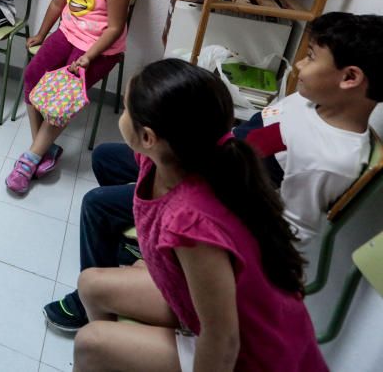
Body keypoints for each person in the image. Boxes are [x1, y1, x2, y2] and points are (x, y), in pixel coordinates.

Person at [44, 11, 381, 332]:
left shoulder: (330, 157)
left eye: (310, 57)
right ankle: (147, 244)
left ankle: (90, 300)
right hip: (210, 160)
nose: (298, 64)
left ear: (349, 77)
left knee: (97, 205)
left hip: (215, 194)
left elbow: (290, 232)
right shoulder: (312, 101)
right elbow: (257, 136)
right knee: (105, 157)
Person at [73, 59, 327, 372]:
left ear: (149, 137)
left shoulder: (191, 223)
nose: (123, 115)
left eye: (126, 109)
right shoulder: (169, 158)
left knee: (91, 342)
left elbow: (223, 340)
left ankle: (104, 356)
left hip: (251, 353)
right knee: (90, 284)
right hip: (210, 308)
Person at [7, 0, 133, 194]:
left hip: (101, 48)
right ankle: (45, 148)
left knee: (62, 97)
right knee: (32, 76)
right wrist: (40, 33)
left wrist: (89, 57)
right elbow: (56, 4)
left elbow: (114, 28)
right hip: (68, 33)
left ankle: (29, 159)